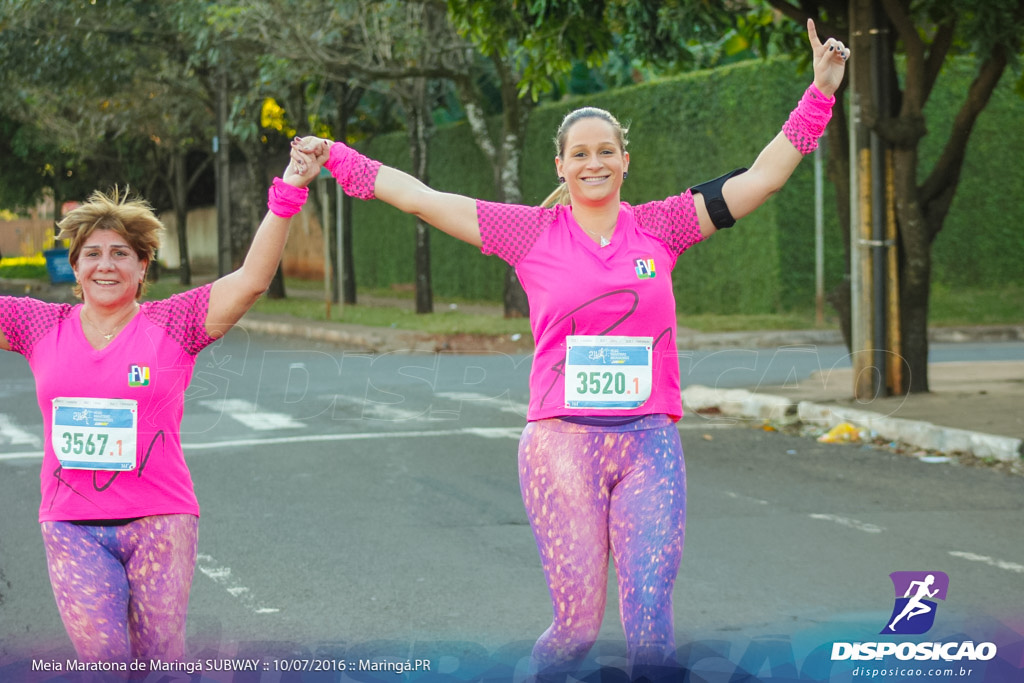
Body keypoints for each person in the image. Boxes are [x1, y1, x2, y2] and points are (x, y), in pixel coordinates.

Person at [300, 18, 847, 679]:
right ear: (561, 165)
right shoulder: (529, 232)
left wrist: (819, 93)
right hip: (561, 447)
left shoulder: (662, 225)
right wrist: (338, 157)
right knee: (577, 628)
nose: (594, 162)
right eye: (580, 153)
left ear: (624, 160)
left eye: (606, 151)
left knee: (651, 627)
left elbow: (760, 180)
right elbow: (422, 198)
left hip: (649, 442)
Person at [0, 140, 319, 663]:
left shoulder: (173, 324)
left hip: (161, 522)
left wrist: (288, 191)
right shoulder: (38, 325)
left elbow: (253, 280)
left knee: (160, 662)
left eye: (121, 254)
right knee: (104, 662)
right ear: (74, 268)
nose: (107, 265)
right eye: (93, 255)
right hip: (70, 524)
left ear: (143, 267)